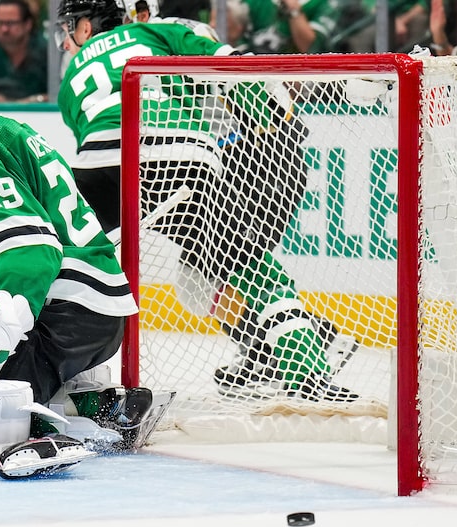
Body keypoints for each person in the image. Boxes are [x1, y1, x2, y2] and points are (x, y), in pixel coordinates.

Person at [56, 0, 359, 402]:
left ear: (89, 27)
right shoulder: (160, 32)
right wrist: (287, 110)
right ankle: (302, 361)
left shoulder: (70, 78)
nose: (65, 39)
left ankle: (62, 372)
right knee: (223, 273)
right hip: (186, 158)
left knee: (82, 270)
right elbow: (241, 73)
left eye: (71, 27)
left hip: (99, 167)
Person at [0, 59, 160, 478]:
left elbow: (29, 250)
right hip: (105, 313)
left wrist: (6, 318)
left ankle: (32, 431)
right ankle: (108, 408)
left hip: (64, 309)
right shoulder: (10, 132)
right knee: (5, 368)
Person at [0, 0, 48, 103]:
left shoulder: (45, 50)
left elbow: (58, 92)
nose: (4, 29)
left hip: (40, 112)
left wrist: (36, 100)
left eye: (10, 23)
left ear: (28, 24)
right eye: (0, 23)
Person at [241, 0, 339, 54]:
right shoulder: (254, 3)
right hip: (254, 68)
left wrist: (293, 10)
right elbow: (234, 40)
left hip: (297, 74)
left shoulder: (324, 4)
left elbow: (311, 49)